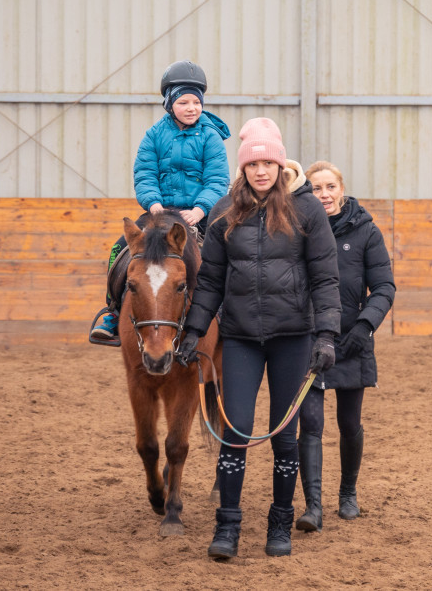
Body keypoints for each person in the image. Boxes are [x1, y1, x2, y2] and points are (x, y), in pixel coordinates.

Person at [176, 118, 341, 559]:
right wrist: (194, 330)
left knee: (285, 434)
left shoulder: (306, 211)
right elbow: (210, 280)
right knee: (237, 429)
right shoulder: (224, 211)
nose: (262, 170)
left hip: (293, 337)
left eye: (269, 162)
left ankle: (280, 522)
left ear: (280, 164)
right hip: (242, 337)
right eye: (254, 163)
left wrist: (326, 335)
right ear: (244, 167)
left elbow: (326, 278)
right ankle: (227, 526)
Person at [89, 60, 231, 343]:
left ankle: (228, 313)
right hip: (159, 212)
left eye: (196, 102)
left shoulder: (211, 137)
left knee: (226, 253)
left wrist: (200, 209)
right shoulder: (154, 135)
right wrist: (153, 203)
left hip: (196, 214)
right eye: (183, 102)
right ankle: (113, 311)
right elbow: (144, 173)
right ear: (169, 104)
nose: (192, 108)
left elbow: (217, 179)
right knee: (119, 249)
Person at [294, 161, 396, 532]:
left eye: (330, 187)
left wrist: (366, 325)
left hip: (354, 339)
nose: (324, 195)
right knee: (311, 422)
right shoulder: (298, 229)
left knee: (349, 421)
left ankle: (348, 494)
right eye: (316, 188)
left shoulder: (366, 231)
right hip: (311, 337)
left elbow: (384, 287)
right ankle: (313, 506)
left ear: (341, 188)